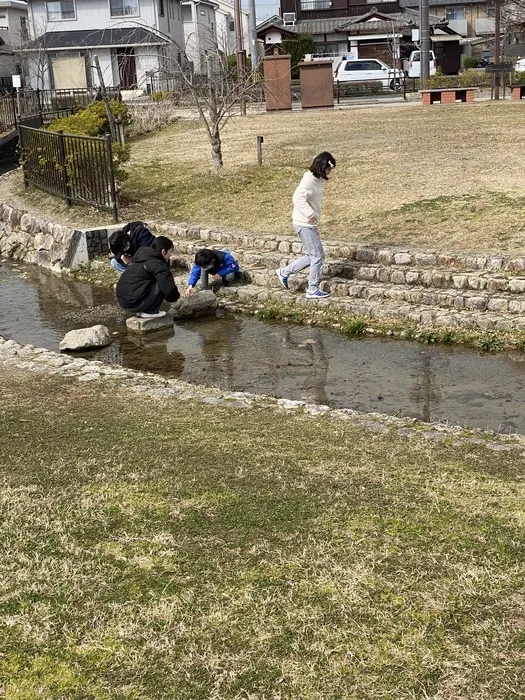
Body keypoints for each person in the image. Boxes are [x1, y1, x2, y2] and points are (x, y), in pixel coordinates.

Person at [276, 151, 336, 299]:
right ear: (323, 166)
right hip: (304, 224)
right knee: (318, 256)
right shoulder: (309, 180)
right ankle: (312, 289)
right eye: (329, 169)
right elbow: (297, 198)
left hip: (307, 223)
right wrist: (310, 214)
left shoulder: (316, 179)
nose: (330, 172)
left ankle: (284, 272)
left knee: (312, 255)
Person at [116, 236, 180, 318]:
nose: (170, 255)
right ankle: (151, 311)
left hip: (124, 301)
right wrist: (175, 298)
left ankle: (142, 310)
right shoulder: (158, 264)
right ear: (163, 251)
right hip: (134, 303)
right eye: (170, 252)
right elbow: (169, 289)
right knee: (161, 282)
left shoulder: (141, 257)